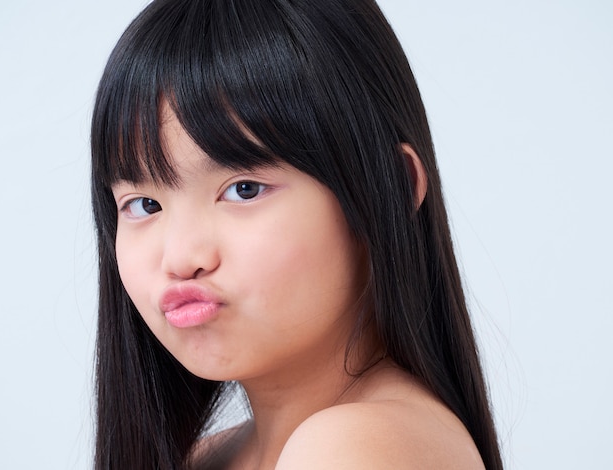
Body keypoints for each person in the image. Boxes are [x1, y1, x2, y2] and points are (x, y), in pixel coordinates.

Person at [90, 0, 504, 468]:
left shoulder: (357, 447)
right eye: (144, 205)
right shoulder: (206, 456)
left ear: (390, 186)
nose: (182, 258)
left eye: (244, 190)